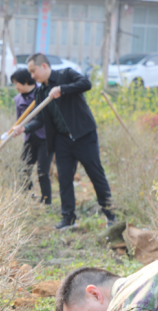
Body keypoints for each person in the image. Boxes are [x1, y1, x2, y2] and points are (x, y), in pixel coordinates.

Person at [12, 53, 115, 231]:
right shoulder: (40, 91)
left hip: (83, 135)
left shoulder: (66, 75)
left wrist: (63, 89)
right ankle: (68, 218)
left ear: (44, 66)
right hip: (61, 140)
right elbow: (41, 119)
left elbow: (86, 84)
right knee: (64, 179)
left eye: (33, 71)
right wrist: (25, 128)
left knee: (96, 174)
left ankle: (110, 214)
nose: (32, 76)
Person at [10, 68, 53, 205]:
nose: (16, 87)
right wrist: (15, 130)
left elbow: (45, 119)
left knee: (42, 172)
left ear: (26, 81)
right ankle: (28, 196)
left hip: (45, 139)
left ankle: (46, 202)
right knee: (23, 168)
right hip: (29, 139)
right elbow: (19, 120)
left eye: (17, 83)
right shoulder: (18, 99)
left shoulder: (42, 94)